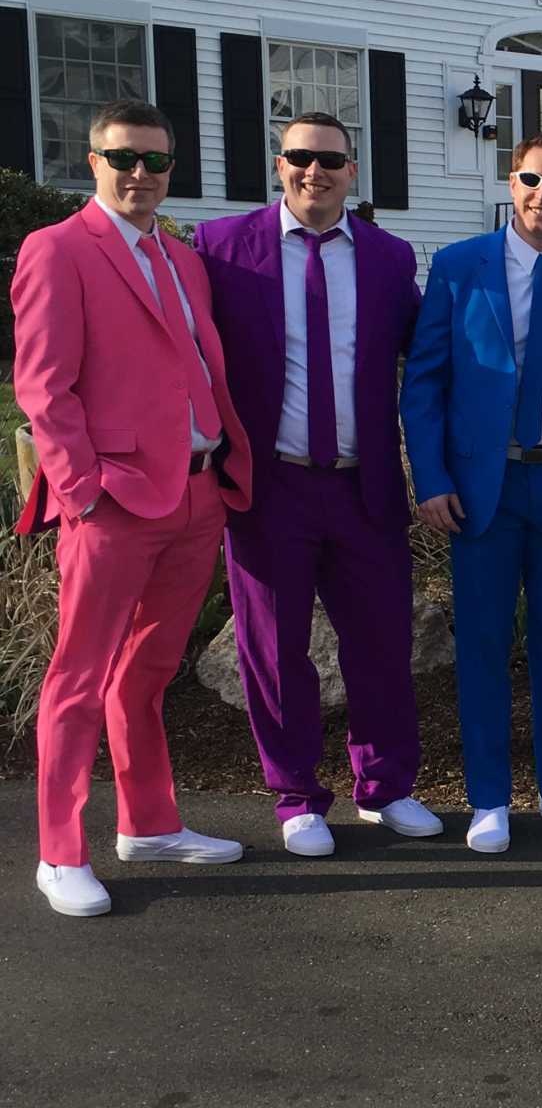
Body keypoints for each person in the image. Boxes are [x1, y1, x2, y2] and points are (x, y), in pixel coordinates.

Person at [13, 99, 253, 916]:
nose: (140, 175)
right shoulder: (57, 251)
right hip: (113, 504)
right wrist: (83, 493)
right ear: (93, 162)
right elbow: (43, 387)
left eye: (155, 161)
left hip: (196, 494)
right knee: (78, 679)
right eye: (124, 159)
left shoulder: (182, 259)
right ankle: (59, 852)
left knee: (146, 673)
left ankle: (149, 823)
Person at [194, 111, 440, 857]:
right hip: (272, 487)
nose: (315, 171)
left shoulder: (390, 258)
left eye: (331, 160)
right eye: (301, 157)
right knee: (276, 650)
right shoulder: (223, 248)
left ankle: (386, 786)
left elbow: (429, 355)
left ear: (352, 171)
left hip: (363, 487)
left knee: (382, 645)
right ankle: (296, 794)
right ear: (279, 164)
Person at [400, 132, 542, 852]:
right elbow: (425, 380)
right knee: (485, 646)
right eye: (530, 179)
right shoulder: (462, 265)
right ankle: (489, 800)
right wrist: (431, 478)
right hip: (482, 486)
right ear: (511, 180)